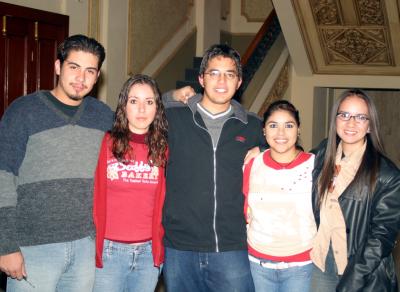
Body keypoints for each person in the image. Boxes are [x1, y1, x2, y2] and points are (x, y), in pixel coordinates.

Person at [0, 34, 114, 291]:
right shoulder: (23, 111)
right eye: (74, 67)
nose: (81, 78)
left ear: (97, 77)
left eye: (89, 71)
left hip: (86, 247)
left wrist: (174, 97)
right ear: (57, 67)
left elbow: (141, 121)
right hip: (32, 248)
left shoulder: (103, 116)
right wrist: (5, 246)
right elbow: (2, 176)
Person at [162, 44, 265, 292]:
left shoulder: (252, 125)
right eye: (214, 73)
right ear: (201, 79)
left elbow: (289, 151)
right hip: (179, 246)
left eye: (229, 74)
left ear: (239, 81)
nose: (221, 81)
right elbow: (136, 111)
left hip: (233, 246)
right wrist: (169, 96)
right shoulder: (173, 118)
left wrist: (265, 151)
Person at [310, 89, 400, 291]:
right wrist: (263, 149)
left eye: (360, 117)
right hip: (320, 262)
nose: (351, 123)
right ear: (335, 120)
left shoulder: (387, 175)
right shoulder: (323, 152)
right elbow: (292, 159)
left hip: (359, 270)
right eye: (345, 115)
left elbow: (382, 236)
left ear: (370, 125)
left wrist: (354, 278)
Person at [92, 74, 168, 292]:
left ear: (158, 108)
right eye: (134, 101)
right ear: (123, 105)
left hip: (148, 254)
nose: (142, 109)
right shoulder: (105, 143)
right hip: (109, 252)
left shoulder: (164, 149)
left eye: (149, 102)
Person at [243, 100, 317, 292]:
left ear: (298, 129)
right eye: (273, 125)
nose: (281, 133)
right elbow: (244, 208)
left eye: (289, 125)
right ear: (264, 131)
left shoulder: (315, 166)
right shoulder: (252, 164)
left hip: (301, 266)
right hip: (257, 264)